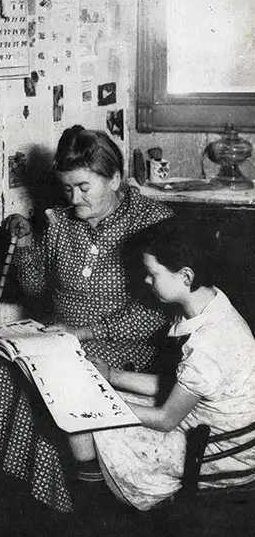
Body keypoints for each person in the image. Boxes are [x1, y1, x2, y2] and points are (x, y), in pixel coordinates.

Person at [0, 126, 173, 513]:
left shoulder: (150, 220)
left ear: (115, 178)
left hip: (122, 343)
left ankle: (76, 500)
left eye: (84, 187)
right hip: (61, 332)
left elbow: (157, 313)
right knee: (1, 367)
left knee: (61, 382)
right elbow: (35, 289)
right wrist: (27, 244)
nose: (74, 198)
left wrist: (86, 331)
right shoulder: (62, 220)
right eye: (67, 188)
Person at [86, 218, 255, 511]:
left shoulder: (209, 344)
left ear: (185, 276)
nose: (146, 280)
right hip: (207, 425)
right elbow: (179, 386)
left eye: (152, 273)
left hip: (222, 453)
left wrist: (101, 406)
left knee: (88, 422)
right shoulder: (209, 306)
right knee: (101, 406)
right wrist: (111, 375)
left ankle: (95, 511)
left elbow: (166, 418)